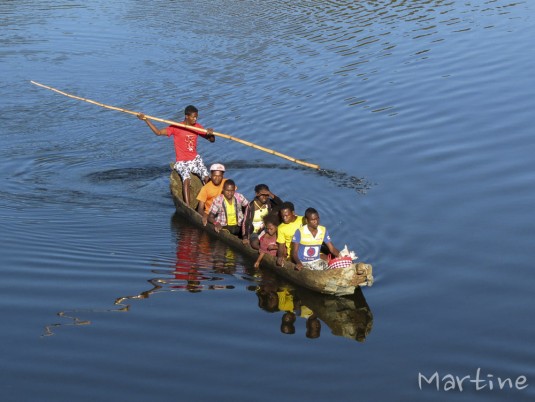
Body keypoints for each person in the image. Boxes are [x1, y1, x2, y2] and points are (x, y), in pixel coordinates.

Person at [137, 105, 215, 206]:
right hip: (182, 161)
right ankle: (187, 206)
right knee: (186, 179)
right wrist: (146, 120)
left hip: (195, 159)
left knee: (206, 176)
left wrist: (210, 133)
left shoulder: (197, 127)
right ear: (186, 116)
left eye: (196, 117)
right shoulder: (176, 127)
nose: (195, 119)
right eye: (193, 117)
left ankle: (211, 201)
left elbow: (211, 140)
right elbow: (158, 132)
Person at [242, 184, 283, 249]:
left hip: (267, 230)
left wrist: (270, 194)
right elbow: (245, 222)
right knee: (254, 243)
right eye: (262, 195)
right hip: (254, 232)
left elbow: (281, 205)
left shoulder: (269, 203)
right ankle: (263, 250)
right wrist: (245, 237)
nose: (265, 197)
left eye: (266, 195)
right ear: (257, 194)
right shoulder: (251, 206)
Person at [276, 202, 305, 267]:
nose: (284, 218)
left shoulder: (303, 220)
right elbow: (281, 245)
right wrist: (280, 257)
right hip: (295, 254)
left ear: (293, 213)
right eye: (282, 216)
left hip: (309, 249)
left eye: (287, 215)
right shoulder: (281, 228)